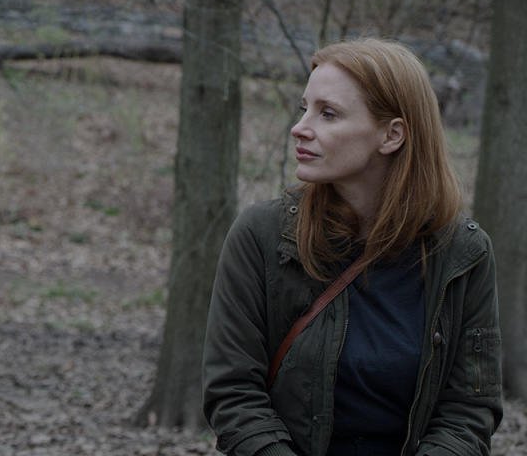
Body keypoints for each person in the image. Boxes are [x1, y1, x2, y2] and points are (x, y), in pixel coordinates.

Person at [202, 39, 502, 456]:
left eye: (328, 113)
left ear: (391, 134)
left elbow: (469, 411)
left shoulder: (464, 254)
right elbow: (233, 394)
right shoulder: (261, 236)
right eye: (304, 107)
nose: (300, 126)